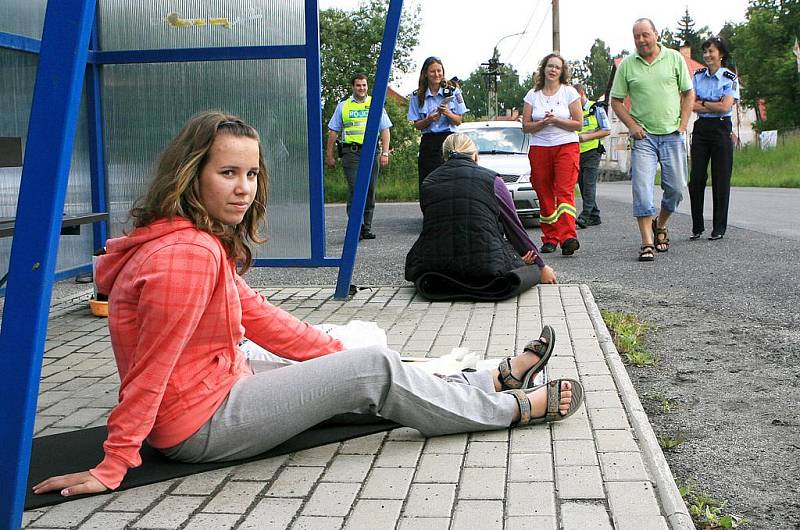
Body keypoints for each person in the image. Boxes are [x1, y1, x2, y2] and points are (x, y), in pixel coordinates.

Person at [33, 111, 583, 498]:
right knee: (373, 368)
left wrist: (330, 353)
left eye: (251, 173)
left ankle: (487, 379)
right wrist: (114, 463)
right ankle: (507, 408)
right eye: (227, 173)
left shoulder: (194, 241)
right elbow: (149, 372)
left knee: (362, 363)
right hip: (200, 426)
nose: (244, 188)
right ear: (190, 174)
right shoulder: (186, 256)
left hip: (224, 387)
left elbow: (265, 320)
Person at [405, 133, 557, 287]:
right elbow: (514, 229)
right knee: (524, 269)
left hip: (434, 269)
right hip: (486, 268)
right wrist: (541, 267)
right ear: (476, 156)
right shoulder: (493, 181)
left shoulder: (428, 183)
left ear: (444, 158)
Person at [610, 18, 694, 262]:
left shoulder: (674, 58)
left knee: (677, 188)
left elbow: (688, 93)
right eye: (636, 36)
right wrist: (632, 126)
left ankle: (661, 224)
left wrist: (682, 125)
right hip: (643, 136)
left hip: (672, 134)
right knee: (642, 189)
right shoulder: (627, 65)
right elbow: (616, 100)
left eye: (645, 35)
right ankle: (647, 242)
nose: (641, 40)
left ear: (656, 34)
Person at [522, 53, 583, 256]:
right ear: (544, 69)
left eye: (557, 67)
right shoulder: (532, 94)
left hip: (565, 145)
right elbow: (525, 126)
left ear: (562, 71)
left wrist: (556, 120)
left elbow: (578, 123)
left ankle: (568, 237)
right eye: (550, 66)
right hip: (540, 147)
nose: (553, 70)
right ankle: (550, 238)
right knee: (544, 191)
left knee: (564, 191)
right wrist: (541, 123)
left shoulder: (569, 93)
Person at [326, 73, 392, 241]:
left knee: (370, 190)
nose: (361, 88)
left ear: (367, 87)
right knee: (356, 189)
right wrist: (329, 155)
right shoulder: (343, 106)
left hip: (372, 152)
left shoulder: (375, 104)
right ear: (353, 87)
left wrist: (385, 153)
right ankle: (357, 226)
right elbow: (333, 131)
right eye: (358, 85)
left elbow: (385, 129)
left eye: (364, 85)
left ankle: (366, 228)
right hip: (351, 153)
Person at [688, 36, 739, 241]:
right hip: (701, 129)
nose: (708, 55)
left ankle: (718, 227)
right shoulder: (697, 76)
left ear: (721, 54)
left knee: (721, 179)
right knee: (697, 179)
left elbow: (725, 107)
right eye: (705, 51)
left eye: (712, 51)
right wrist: (713, 101)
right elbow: (690, 104)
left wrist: (704, 101)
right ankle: (697, 227)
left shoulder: (729, 77)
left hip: (721, 128)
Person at [407, 56, 468, 194]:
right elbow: (417, 125)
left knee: (450, 180)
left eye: (439, 71)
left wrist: (447, 113)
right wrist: (428, 120)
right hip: (429, 142)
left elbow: (458, 120)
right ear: (425, 74)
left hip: (449, 140)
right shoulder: (417, 96)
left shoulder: (453, 92)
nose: (437, 75)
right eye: (433, 71)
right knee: (427, 181)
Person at [573, 84, 611, 229]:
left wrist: (586, 137)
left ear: (582, 94)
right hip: (576, 153)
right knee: (582, 185)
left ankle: (585, 215)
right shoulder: (572, 110)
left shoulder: (596, 108)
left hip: (592, 152)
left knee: (588, 184)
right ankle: (595, 216)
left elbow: (606, 130)